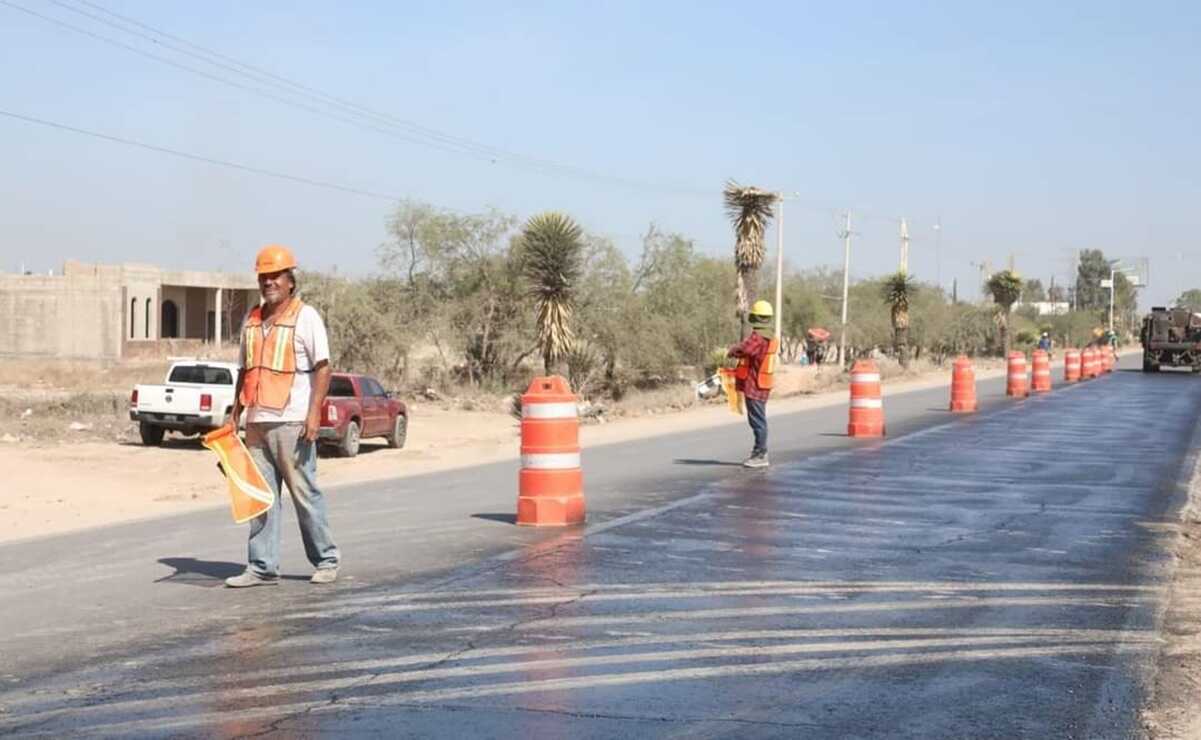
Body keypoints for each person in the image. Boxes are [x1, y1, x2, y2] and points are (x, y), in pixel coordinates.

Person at [224, 244, 341, 588]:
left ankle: (326, 559)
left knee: (305, 494)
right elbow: (245, 370)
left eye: (275, 276)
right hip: (256, 423)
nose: (269, 282)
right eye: (264, 277)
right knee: (261, 497)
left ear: (291, 280)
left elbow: (323, 368)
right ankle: (261, 566)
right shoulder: (252, 319)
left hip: (292, 423)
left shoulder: (306, 317)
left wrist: (314, 415)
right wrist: (235, 415)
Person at [727, 300, 779, 468]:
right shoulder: (771, 337)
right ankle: (760, 452)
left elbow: (746, 349)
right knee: (759, 419)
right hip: (763, 384)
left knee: (757, 421)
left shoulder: (758, 338)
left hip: (755, 385)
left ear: (754, 318)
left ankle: (760, 454)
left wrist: (732, 350)